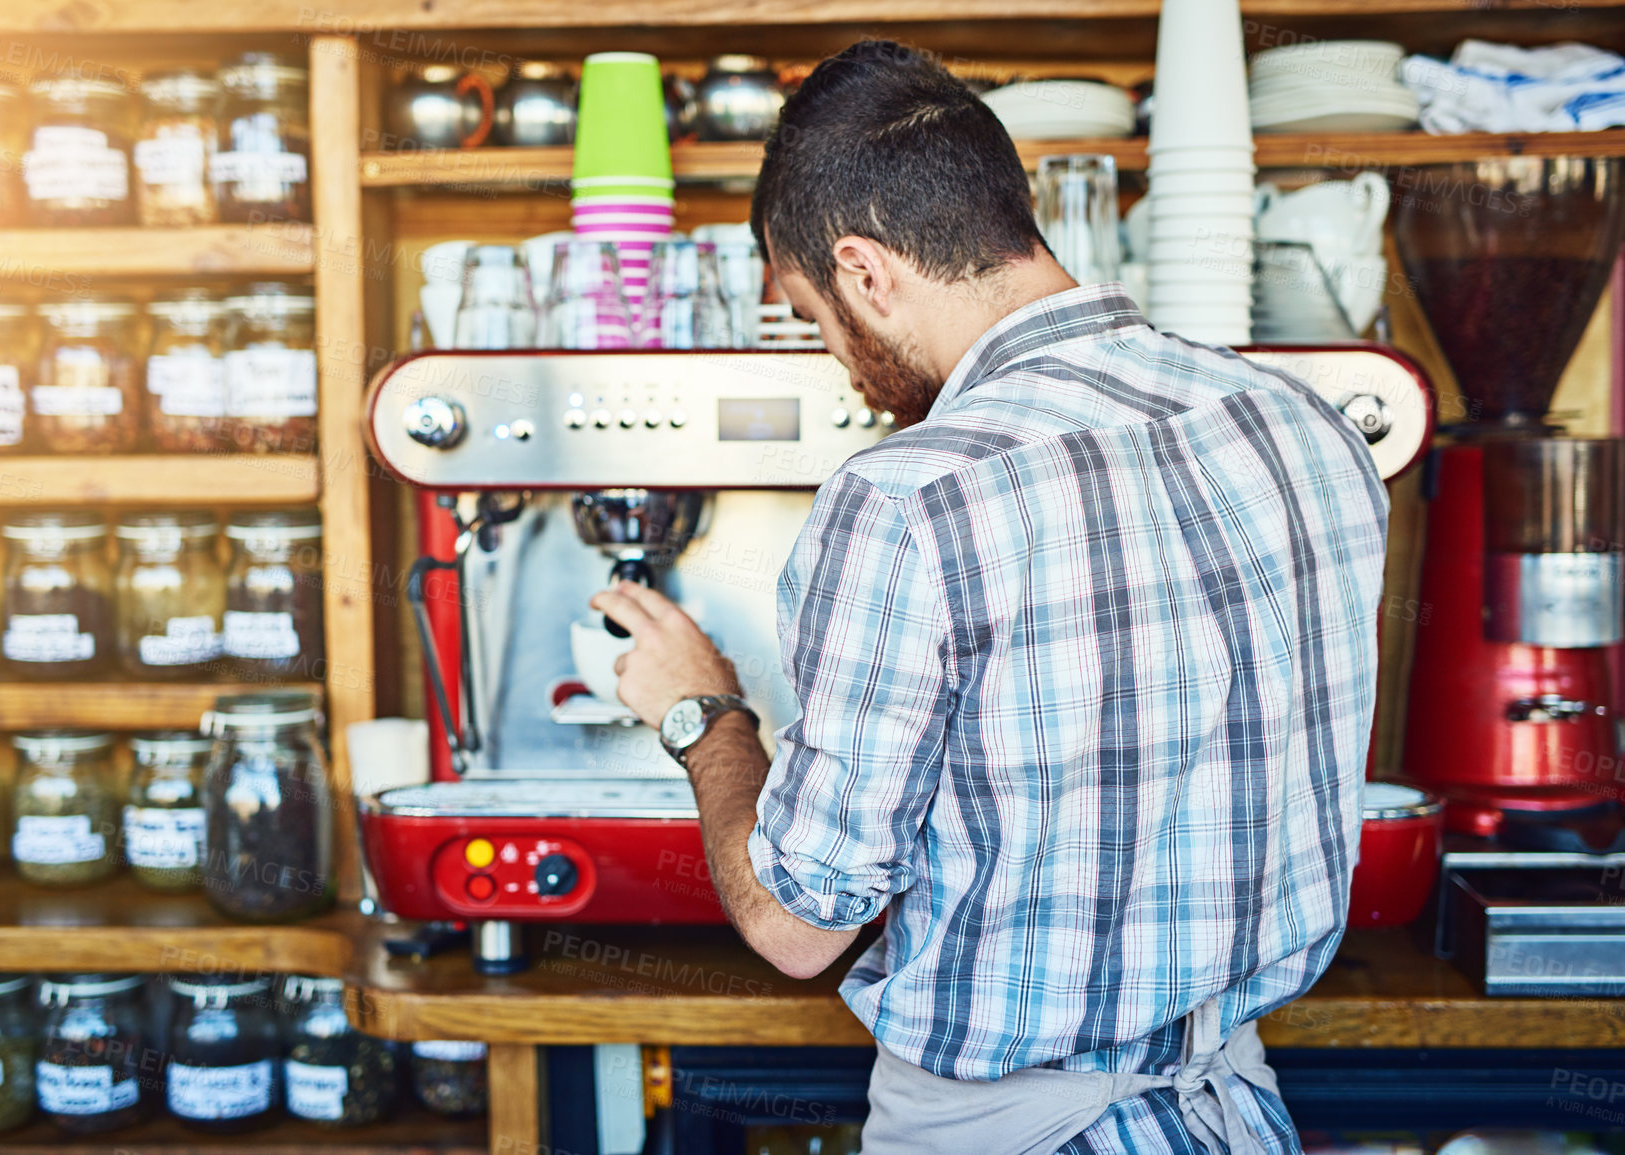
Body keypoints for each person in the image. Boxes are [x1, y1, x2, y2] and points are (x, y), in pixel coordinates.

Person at [592, 39, 1387, 1155]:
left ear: (867, 272)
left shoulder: (912, 495)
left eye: (820, 320)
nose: (843, 365)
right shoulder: (1304, 427)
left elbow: (796, 929)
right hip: (1237, 1115)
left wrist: (702, 711)